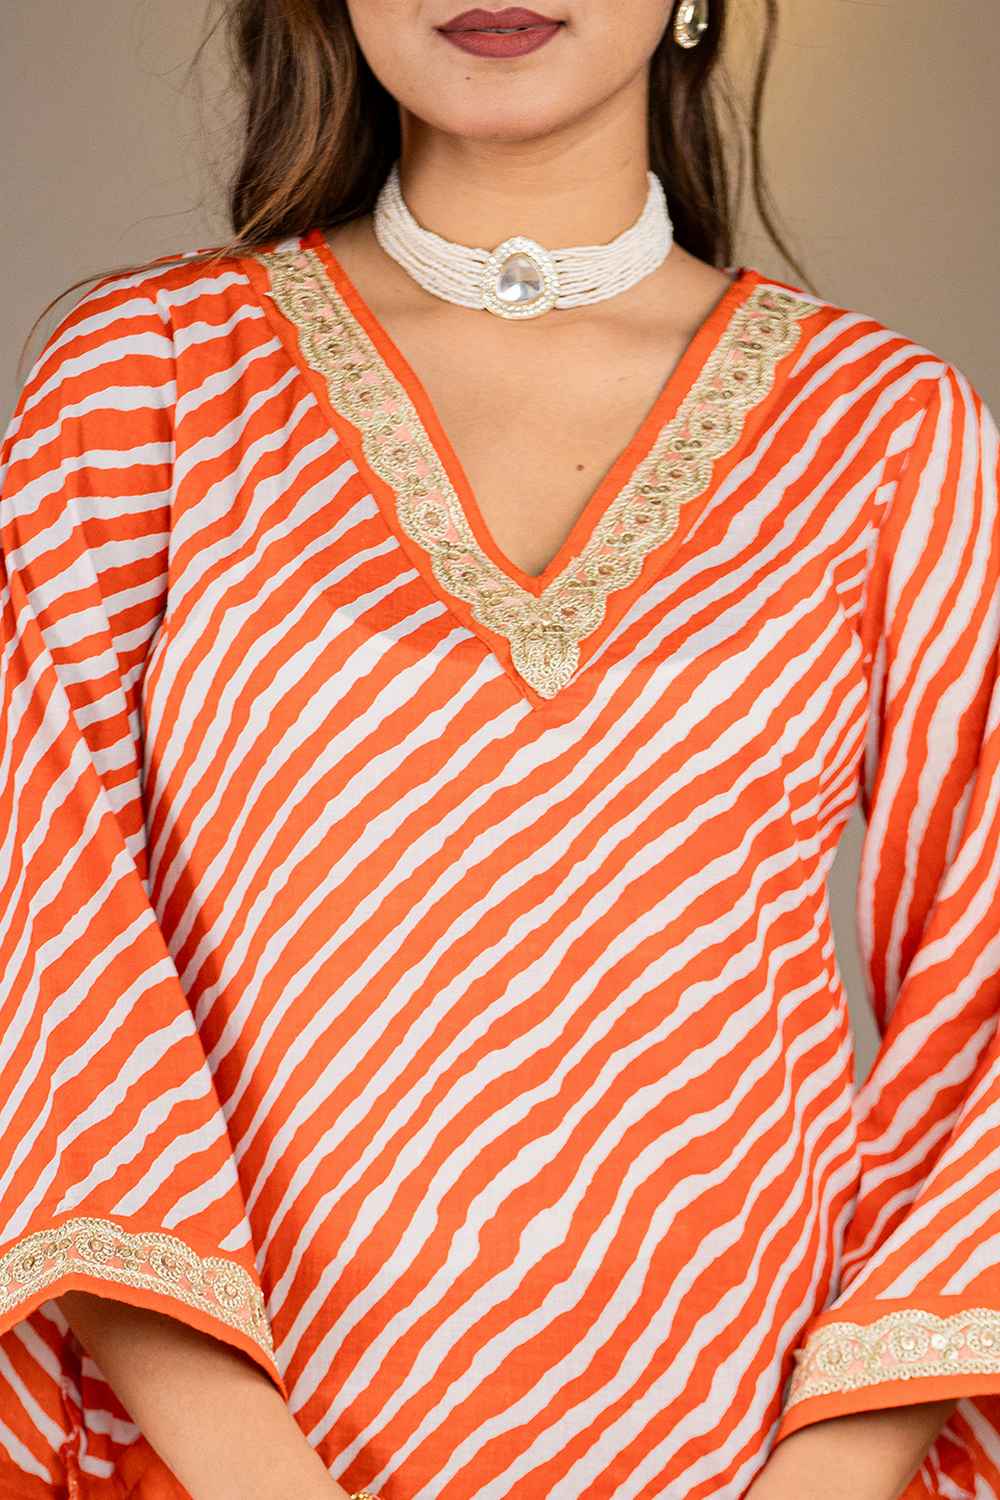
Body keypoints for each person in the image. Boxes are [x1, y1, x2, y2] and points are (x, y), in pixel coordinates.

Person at [2, 0, 1000, 1495]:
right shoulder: (147, 383)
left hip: (736, 1455)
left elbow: (981, 1022)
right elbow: (44, 949)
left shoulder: (887, 434)